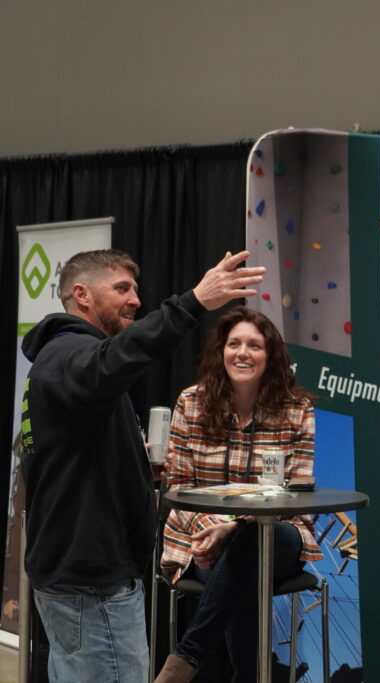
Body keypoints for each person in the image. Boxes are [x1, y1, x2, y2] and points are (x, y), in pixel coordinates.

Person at [20, 248, 264, 681]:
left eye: (136, 289)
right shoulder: (70, 353)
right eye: (122, 289)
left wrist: (136, 468)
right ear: (82, 295)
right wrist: (192, 303)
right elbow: (113, 361)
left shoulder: (64, 361)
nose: (135, 299)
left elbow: (71, 453)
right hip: (91, 583)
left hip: (81, 577)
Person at [156, 307, 321, 682]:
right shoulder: (192, 403)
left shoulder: (297, 409)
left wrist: (233, 527)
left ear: (271, 355)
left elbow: (297, 493)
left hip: (282, 534)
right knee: (246, 566)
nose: (242, 353)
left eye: (254, 345)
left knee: (251, 540)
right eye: (234, 344)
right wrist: (216, 527)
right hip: (200, 535)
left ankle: (183, 662)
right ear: (221, 351)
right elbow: (178, 487)